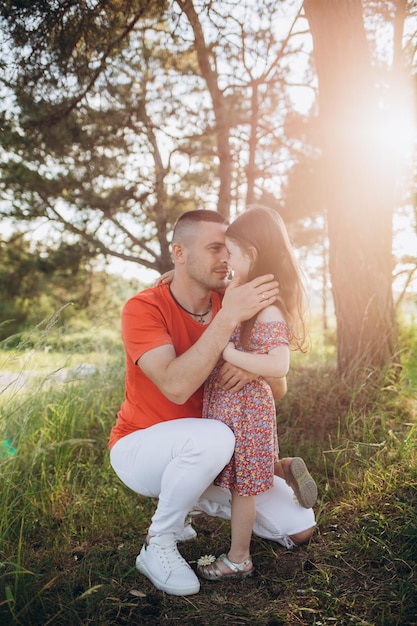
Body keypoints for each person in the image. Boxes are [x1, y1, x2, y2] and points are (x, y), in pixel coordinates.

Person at [109, 209, 316, 597]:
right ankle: (159, 542)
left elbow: (280, 386)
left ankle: (194, 499)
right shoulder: (143, 308)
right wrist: (228, 319)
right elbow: (175, 387)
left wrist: (257, 370)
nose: (225, 258)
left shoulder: (233, 298)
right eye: (214, 248)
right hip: (143, 447)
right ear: (180, 253)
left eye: (229, 248)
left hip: (215, 453)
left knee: (298, 527)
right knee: (215, 438)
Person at [196, 206, 317, 582]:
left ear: (252, 252)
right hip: (233, 408)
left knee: (242, 488)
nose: (226, 258)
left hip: (247, 411)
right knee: (237, 473)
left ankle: (239, 559)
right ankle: (280, 469)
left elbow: (279, 364)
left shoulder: (267, 308)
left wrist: (229, 353)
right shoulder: (240, 290)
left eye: (230, 250)